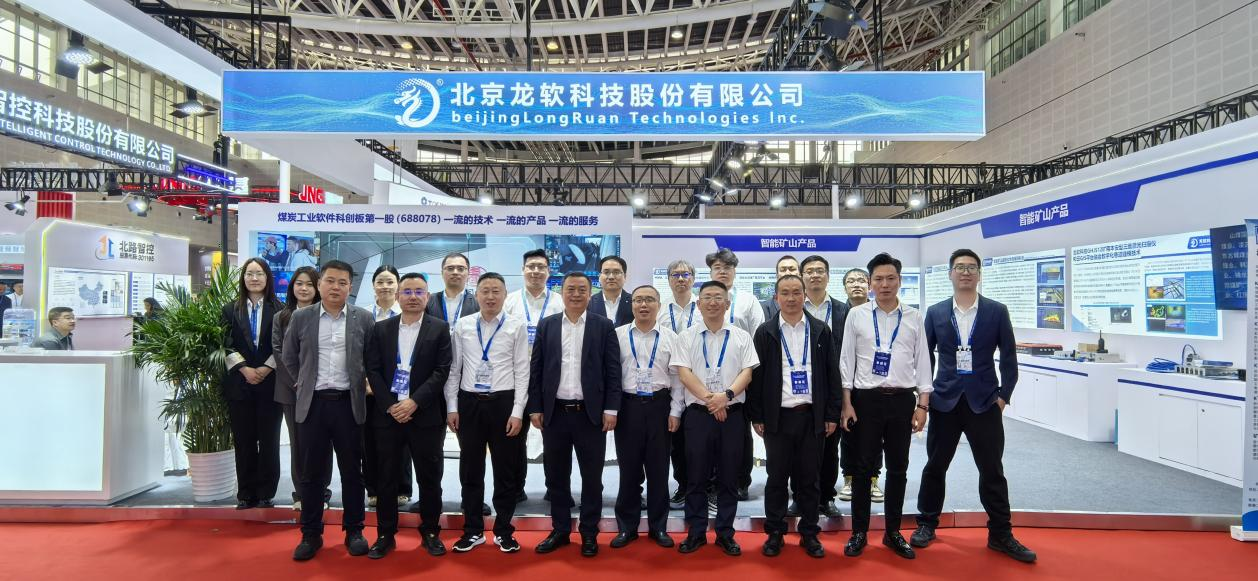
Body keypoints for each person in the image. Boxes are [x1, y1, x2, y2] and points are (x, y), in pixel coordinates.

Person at [912, 249, 1036, 563]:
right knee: (935, 466)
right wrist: (924, 398)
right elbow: (924, 359)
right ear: (950, 274)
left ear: (979, 274)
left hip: (985, 402)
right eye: (960, 267)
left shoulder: (996, 311)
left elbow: (1009, 358)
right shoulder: (936, 313)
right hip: (945, 401)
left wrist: (1003, 397)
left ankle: (1001, 534)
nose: (965, 272)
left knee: (992, 470)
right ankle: (927, 524)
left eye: (971, 267)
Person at [839, 253, 932, 560]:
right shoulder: (857, 315)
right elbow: (846, 361)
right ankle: (859, 532)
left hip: (902, 400)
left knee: (898, 468)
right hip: (866, 400)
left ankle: (893, 531)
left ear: (900, 281)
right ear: (870, 283)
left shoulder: (914, 316)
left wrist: (923, 405)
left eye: (891, 278)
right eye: (878, 279)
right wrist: (846, 403)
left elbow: (923, 361)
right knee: (863, 468)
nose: (885, 284)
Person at [282, 260, 376, 562]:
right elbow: (289, 356)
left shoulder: (364, 318)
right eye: (330, 281)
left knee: (352, 472)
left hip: (349, 404)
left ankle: (354, 531)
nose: (336, 287)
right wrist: (303, 382)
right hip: (314, 405)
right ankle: (310, 534)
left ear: (350, 287)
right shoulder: (302, 317)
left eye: (342, 282)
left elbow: (372, 359)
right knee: (311, 474)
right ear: (320, 284)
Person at [528, 272, 622, 557]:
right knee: (556, 476)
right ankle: (560, 530)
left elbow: (613, 370)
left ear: (590, 294)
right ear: (562, 292)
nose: (576, 294)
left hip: (589, 415)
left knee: (592, 477)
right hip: (555, 413)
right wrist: (535, 407)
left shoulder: (603, 326)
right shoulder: (547, 324)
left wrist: (611, 408)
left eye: (582, 289)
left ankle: (589, 532)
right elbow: (537, 369)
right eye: (571, 289)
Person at [749, 274, 840, 558]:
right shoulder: (765, 332)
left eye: (796, 292)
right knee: (776, 477)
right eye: (785, 293)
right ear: (776, 297)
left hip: (812, 417)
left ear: (804, 295)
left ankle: (809, 533)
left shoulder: (820, 330)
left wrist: (831, 413)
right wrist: (757, 415)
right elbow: (756, 377)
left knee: (809, 479)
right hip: (778, 418)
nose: (791, 298)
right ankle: (775, 532)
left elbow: (832, 374)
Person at [363, 273, 452, 559]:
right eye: (407, 291)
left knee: (430, 477)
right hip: (388, 416)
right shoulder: (381, 329)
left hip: (425, 416)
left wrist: (414, 402)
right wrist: (391, 406)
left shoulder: (440, 328)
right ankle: (385, 534)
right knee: (386, 477)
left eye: (419, 291)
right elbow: (373, 369)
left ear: (427, 296)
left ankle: (430, 532)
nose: (413, 297)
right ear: (398, 296)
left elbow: (442, 371)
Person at [444, 272, 530, 554]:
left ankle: (504, 531)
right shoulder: (464, 325)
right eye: (485, 291)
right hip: (469, 404)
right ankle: (473, 530)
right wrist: (453, 406)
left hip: (504, 403)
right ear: (477, 294)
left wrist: (518, 411)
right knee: (470, 469)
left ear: (505, 295)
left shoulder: (516, 326)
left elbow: (522, 370)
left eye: (496, 291)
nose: (491, 297)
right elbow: (454, 369)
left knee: (505, 470)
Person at [672, 281, 759, 557]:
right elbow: (684, 373)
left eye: (718, 297)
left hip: (732, 416)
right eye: (707, 297)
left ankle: (725, 533)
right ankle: (696, 532)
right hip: (698, 416)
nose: (712, 302)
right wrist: (713, 400)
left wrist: (726, 396)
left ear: (727, 303)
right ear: (698, 304)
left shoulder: (742, 336)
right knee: (695, 477)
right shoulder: (686, 337)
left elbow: (747, 373)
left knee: (729, 477)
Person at [610, 285, 683, 550]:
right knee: (628, 470)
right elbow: (611, 376)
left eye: (649, 300)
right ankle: (627, 527)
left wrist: (675, 411)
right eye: (638, 300)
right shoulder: (617, 335)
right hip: (627, 407)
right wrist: (612, 410)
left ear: (658, 305)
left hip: (659, 407)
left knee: (658, 470)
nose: (643, 305)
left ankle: (658, 526)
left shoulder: (671, 338)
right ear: (631, 305)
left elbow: (677, 378)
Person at [790, 255, 852, 519]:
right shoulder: (792, 307)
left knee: (829, 446)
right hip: (797, 389)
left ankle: (826, 497)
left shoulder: (843, 311)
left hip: (830, 388)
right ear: (802, 276)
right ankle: (799, 497)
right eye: (809, 271)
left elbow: (849, 353)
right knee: (797, 447)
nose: (814, 275)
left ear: (828, 276)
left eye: (820, 271)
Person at [221, 258, 284, 510]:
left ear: (268, 278)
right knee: (244, 440)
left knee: (269, 440)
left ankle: (266, 492)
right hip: (240, 383)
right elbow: (224, 344)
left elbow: (285, 345)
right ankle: (246, 493)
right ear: (243, 277)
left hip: (271, 383)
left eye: (259, 273)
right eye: (249, 273)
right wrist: (244, 369)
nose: (254, 278)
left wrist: (267, 367)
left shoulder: (280, 309)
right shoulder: (229, 310)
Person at [706, 247, 764, 501]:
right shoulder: (703, 300)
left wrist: (750, 376)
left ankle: (741, 481)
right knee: (711, 432)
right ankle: (713, 482)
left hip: (742, 377)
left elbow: (758, 338)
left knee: (740, 433)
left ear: (735, 271)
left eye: (727, 268)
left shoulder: (748, 301)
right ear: (710, 271)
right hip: (708, 379)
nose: (722, 272)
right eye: (717, 267)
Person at [272, 266, 331, 512]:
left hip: (322, 389)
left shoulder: (326, 315)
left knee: (323, 443)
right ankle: (301, 494)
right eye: (299, 283)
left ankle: (322, 493)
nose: (304, 288)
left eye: (309, 284)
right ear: (292, 287)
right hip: (291, 389)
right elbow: (279, 352)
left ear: (317, 287)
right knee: (298, 444)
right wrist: (299, 380)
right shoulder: (281, 317)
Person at [364, 265, 412, 510]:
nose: (385, 286)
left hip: (399, 390)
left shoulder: (406, 314)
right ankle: (373, 489)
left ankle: (402, 488)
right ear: (373, 285)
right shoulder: (364, 315)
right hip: (368, 390)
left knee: (402, 441)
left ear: (398, 285)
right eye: (380, 282)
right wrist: (367, 382)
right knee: (370, 441)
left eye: (390, 282)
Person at [657, 259, 698, 510]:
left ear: (693, 278)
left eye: (685, 274)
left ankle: (705, 489)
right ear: (668, 279)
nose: (680, 279)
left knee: (701, 442)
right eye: (675, 274)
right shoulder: (660, 310)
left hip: (700, 383)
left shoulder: (703, 307)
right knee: (677, 443)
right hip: (671, 383)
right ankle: (683, 487)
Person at [839, 267, 882, 504]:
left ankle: (874, 479)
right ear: (844, 287)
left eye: (861, 280)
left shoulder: (880, 312)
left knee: (876, 436)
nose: (856, 284)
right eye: (850, 281)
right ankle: (849, 479)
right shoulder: (839, 313)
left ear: (869, 285)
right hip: (846, 384)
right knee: (848, 434)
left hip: (874, 384)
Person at [503, 248, 562, 347]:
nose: (536, 271)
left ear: (548, 271)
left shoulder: (560, 302)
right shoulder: (508, 301)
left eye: (541, 267)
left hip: (549, 355)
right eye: (531, 266)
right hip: (516, 355)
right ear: (523, 270)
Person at [426, 252, 480, 326]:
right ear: (442, 273)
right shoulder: (428, 301)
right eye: (450, 268)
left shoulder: (478, 302)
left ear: (468, 273)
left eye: (460, 269)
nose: (455, 272)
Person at [588, 255, 633, 327]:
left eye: (616, 272)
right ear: (599, 277)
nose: (611, 277)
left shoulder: (634, 302)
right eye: (606, 272)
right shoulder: (588, 303)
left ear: (625, 276)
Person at [761, 255, 799, 319]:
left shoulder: (808, 305)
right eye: (783, 270)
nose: (787, 273)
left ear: (800, 274)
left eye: (792, 269)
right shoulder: (763, 308)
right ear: (777, 276)